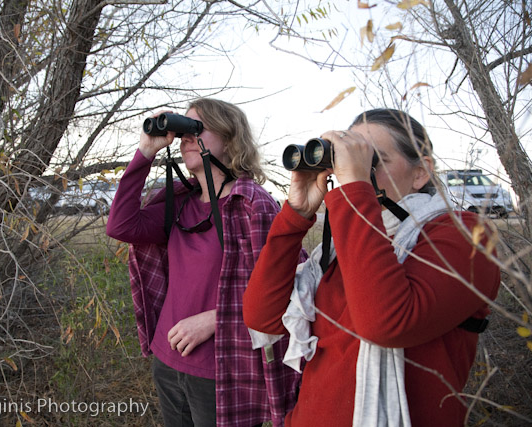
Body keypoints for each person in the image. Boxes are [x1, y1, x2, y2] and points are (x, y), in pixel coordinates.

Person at [242, 108, 501, 426]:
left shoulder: (464, 235)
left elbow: (387, 324)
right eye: (349, 160)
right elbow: (262, 318)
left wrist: (354, 191)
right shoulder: (341, 244)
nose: (356, 172)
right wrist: (296, 214)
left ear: (421, 173)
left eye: (370, 161)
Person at [106, 98, 302, 427]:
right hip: (167, 362)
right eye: (183, 131)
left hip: (222, 369)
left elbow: (289, 287)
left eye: (196, 129)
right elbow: (121, 226)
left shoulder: (253, 204)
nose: (185, 139)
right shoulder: (179, 200)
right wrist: (146, 151)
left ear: (229, 139)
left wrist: (215, 319)